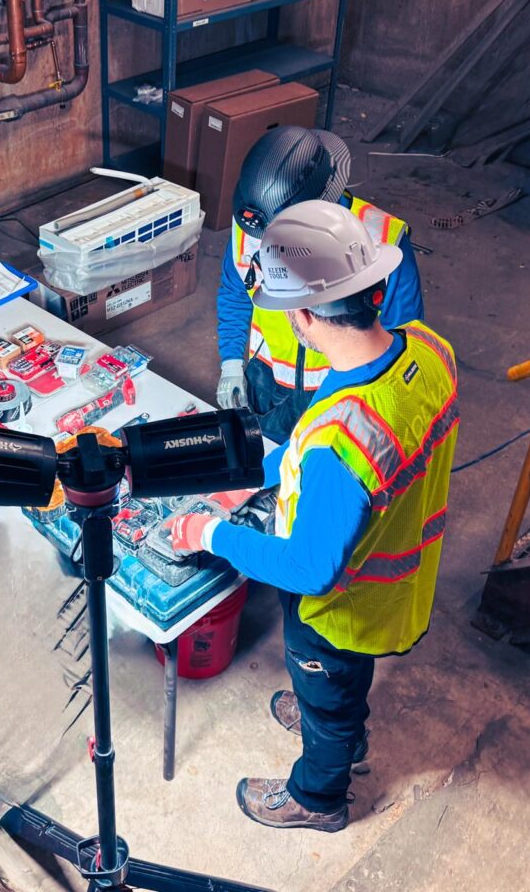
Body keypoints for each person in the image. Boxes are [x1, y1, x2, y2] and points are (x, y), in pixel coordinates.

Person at [170, 201, 459, 833]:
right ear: (373, 289)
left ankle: (318, 797)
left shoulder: (340, 444)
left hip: (341, 608)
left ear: (301, 317)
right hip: (398, 579)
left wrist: (209, 533)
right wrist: (253, 480)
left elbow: (308, 568)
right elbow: (322, 432)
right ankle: (340, 727)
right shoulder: (431, 353)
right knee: (341, 683)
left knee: (326, 688)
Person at [216, 126, 425, 443]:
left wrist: (377, 403)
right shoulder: (250, 225)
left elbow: (404, 330)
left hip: (344, 385)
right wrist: (232, 361)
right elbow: (235, 293)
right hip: (268, 381)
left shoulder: (383, 238)